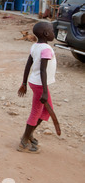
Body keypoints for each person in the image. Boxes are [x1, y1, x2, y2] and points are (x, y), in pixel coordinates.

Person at [17, 22, 57, 153]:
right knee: (36, 112)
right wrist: (45, 92)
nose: (53, 32)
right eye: (52, 31)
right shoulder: (46, 49)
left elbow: (28, 65)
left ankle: (29, 134)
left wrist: (24, 83)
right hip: (40, 86)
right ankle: (24, 141)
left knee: (46, 112)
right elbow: (42, 70)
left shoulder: (35, 46)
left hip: (35, 83)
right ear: (46, 34)